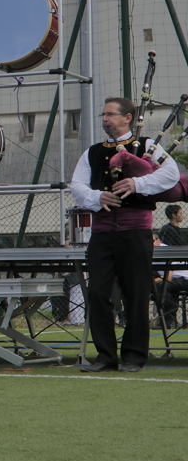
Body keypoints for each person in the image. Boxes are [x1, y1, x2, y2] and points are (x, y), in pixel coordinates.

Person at [70, 97, 180, 373]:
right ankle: (106, 356)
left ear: (127, 117)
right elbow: (77, 186)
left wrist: (137, 182)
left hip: (135, 232)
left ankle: (133, 356)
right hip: (102, 233)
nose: (105, 119)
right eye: (103, 115)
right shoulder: (93, 152)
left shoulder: (146, 146)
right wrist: (98, 197)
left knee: (136, 293)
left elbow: (171, 174)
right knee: (97, 293)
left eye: (110, 114)